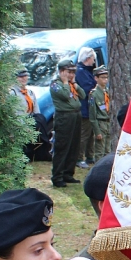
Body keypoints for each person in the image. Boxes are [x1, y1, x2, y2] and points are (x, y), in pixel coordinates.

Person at [50, 58, 82, 188]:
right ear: (61, 72)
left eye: (73, 72)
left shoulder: (71, 84)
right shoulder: (55, 84)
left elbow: (83, 95)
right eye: (68, 72)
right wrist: (64, 82)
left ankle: (68, 173)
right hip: (64, 117)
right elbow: (64, 95)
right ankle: (57, 176)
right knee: (62, 146)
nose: (71, 75)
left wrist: (74, 84)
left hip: (75, 115)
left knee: (74, 146)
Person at [75, 46, 98, 168]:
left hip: (89, 109)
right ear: (88, 58)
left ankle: (90, 156)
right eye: (93, 59)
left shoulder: (85, 71)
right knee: (84, 135)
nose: (94, 62)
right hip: (84, 108)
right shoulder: (81, 72)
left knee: (91, 134)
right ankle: (79, 158)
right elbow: (87, 89)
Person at [88, 66, 113, 160]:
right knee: (99, 151)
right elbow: (92, 115)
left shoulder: (109, 91)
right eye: (102, 78)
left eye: (106, 77)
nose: (105, 80)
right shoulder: (94, 94)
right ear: (96, 78)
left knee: (108, 149)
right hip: (100, 123)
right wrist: (97, 131)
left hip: (109, 122)